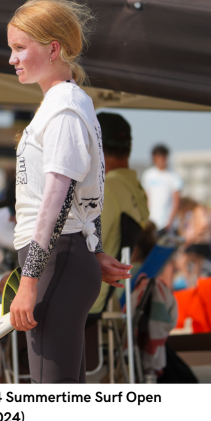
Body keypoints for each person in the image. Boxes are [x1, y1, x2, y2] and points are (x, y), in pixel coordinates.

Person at [6, 0, 131, 383]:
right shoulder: (70, 103)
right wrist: (93, 251)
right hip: (65, 257)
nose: (12, 59)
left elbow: (56, 204)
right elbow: (79, 198)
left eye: (19, 48)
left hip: (54, 261)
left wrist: (29, 282)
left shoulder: (62, 108)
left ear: (53, 48)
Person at [88, 112, 150, 315]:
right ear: (130, 148)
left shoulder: (107, 188)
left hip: (87, 303)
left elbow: (85, 250)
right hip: (107, 300)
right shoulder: (136, 188)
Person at [141, 144, 183, 235]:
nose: (161, 160)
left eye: (163, 157)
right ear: (154, 158)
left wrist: (170, 222)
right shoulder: (148, 175)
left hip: (167, 223)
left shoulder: (174, 176)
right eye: (158, 157)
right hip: (151, 221)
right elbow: (145, 198)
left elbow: (177, 201)